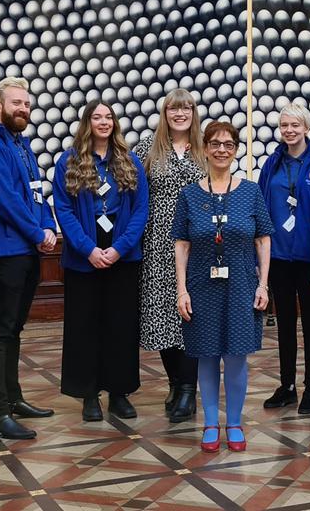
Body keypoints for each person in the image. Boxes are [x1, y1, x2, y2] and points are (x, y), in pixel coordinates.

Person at [172, 121, 273, 452]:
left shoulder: (250, 191)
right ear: (204, 149)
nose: (221, 150)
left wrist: (264, 285)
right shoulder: (189, 195)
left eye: (228, 145)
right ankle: (211, 423)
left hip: (243, 284)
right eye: (215, 144)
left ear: (236, 150)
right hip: (201, 285)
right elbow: (182, 244)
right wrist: (181, 289)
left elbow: (263, 239)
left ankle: (234, 423)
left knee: (236, 355)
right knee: (205, 354)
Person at [53, 100, 148, 421]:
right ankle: (89, 394)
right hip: (84, 256)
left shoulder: (130, 160)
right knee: (84, 327)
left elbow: (140, 211)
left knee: (120, 326)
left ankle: (119, 393)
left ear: (115, 123)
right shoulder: (68, 161)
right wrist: (88, 249)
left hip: (122, 256)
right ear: (87, 122)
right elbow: (63, 210)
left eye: (109, 116)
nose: (104, 122)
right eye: (97, 117)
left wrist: (120, 248)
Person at [0, 77, 57, 439]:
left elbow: (36, 193)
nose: (23, 109)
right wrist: (37, 233)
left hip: (27, 251)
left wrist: (48, 226)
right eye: (15, 103)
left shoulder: (24, 146)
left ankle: (12, 399)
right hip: (5, 252)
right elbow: (5, 200)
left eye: (26, 103)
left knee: (15, 329)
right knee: (0, 331)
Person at [134, 89, 206, 423]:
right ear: (164, 113)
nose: (180, 113)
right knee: (162, 316)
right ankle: (176, 383)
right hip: (157, 243)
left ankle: (189, 390)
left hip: (197, 243)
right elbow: (133, 195)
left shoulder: (206, 148)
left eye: (186, 107)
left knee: (190, 316)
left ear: (193, 111)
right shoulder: (147, 148)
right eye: (173, 108)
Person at [258, 102, 310, 414]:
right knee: (283, 323)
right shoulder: (272, 164)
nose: (289, 130)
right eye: (284, 125)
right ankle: (287, 386)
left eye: (295, 125)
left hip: (309, 261)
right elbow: (261, 210)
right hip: (279, 258)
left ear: (306, 128)